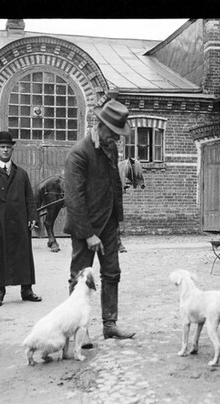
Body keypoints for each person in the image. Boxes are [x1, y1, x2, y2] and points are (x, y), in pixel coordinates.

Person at [64, 99, 135, 343]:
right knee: (80, 278)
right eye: (114, 134)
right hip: (86, 227)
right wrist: (88, 234)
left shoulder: (109, 149)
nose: (117, 139)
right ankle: (76, 332)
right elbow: (74, 199)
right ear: (102, 127)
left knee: (112, 273)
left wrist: (117, 223)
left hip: (108, 225)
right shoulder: (79, 154)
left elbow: (115, 185)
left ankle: (110, 325)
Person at [0, 131, 41, 307]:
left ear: (12, 150)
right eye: (2, 147)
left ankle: (27, 290)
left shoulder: (21, 174)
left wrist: (32, 216)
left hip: (20, 222)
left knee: (24, 255)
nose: (5, 150)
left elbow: (29, 198)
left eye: (8, 147)